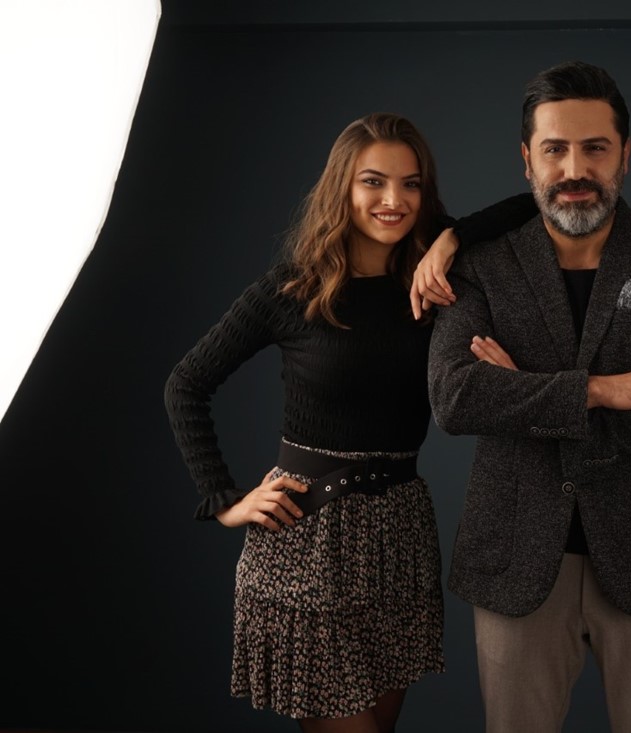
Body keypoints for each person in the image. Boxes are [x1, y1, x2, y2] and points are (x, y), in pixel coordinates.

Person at [163, 113, 527, 733]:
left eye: (411, 184)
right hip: (309, 541)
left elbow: (530, 207)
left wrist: (450, 240)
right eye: (373, 182)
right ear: (343, 187)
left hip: (400, 539)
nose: (394, 200)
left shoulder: (434, 282)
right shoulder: (290, 290)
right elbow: (185, 385)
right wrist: (224, 500)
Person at [426, 61, 631, 733]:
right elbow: (454, 397)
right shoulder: (479, 265)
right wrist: (606, 391)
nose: (574, 168)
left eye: (595, 148)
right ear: (527, 159)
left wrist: (521, 394)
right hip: (515, 558)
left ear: (625, 154)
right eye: (555, 149)